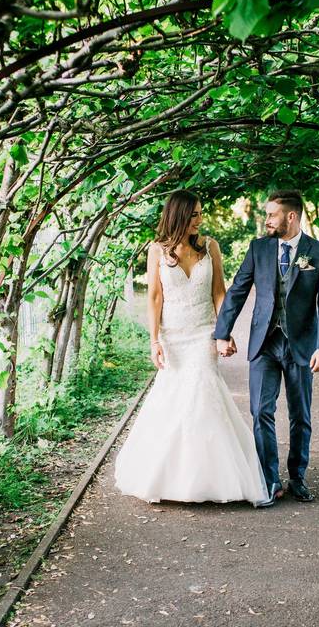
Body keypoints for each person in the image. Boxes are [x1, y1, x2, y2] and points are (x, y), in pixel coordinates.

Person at [114, 190, 268, 505]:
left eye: (200, 213)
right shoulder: (156, 251)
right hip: (173, 336)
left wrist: (224, 332)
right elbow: (155, 297)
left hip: (203, 334)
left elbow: (219, 293)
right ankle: (171, 477)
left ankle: (212, 478)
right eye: (194, 214)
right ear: (179, 215)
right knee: (172, 400)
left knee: (203, 394)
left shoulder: (211, 247)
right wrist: (154, 340)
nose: (200, 220)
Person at [213, 189, 319, 507]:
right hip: (265, 344)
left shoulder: (318, 252)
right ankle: (270, 480)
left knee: (301, 415)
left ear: (291, 216)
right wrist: (222, 332)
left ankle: (297, 477)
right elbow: (238, 290)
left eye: (272, 214)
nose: (267, 220)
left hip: (301, 346)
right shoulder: (258, 249)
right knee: (261, 413)